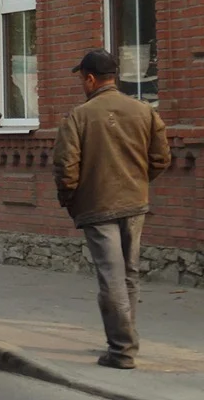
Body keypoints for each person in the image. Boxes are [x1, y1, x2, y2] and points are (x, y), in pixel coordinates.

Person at [53, 48, 171, 370]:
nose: (81, 84)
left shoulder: (79, 116)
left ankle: (121, 351)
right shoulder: (145, 111)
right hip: (135, 204)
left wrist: (70, 199)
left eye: (81, 78)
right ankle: (126, 339)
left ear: (90, 79)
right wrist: (138, 181)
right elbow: (161, 158)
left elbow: (66, 166)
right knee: (129, 274)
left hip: (97, 206)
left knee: (111, 277)